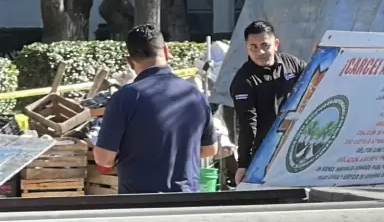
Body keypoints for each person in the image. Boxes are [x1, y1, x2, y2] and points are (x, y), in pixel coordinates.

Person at [93, 24, 218, 194]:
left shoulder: (124, 98)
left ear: (129, 62)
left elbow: (104, 158)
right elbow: (210, 149)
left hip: (139, 203)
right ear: (166, 51)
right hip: (187, 201)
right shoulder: (195, 96)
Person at [230, 21, 307, 184]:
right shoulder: (243, 81)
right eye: (253, 47)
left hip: (297, 145)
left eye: (265, 45)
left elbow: (317, 80)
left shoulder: (292, 64)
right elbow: (247, 124)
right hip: (265, 152)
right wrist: (243, 164)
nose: (260, 52)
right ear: (246, 47)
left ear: (276, 44)